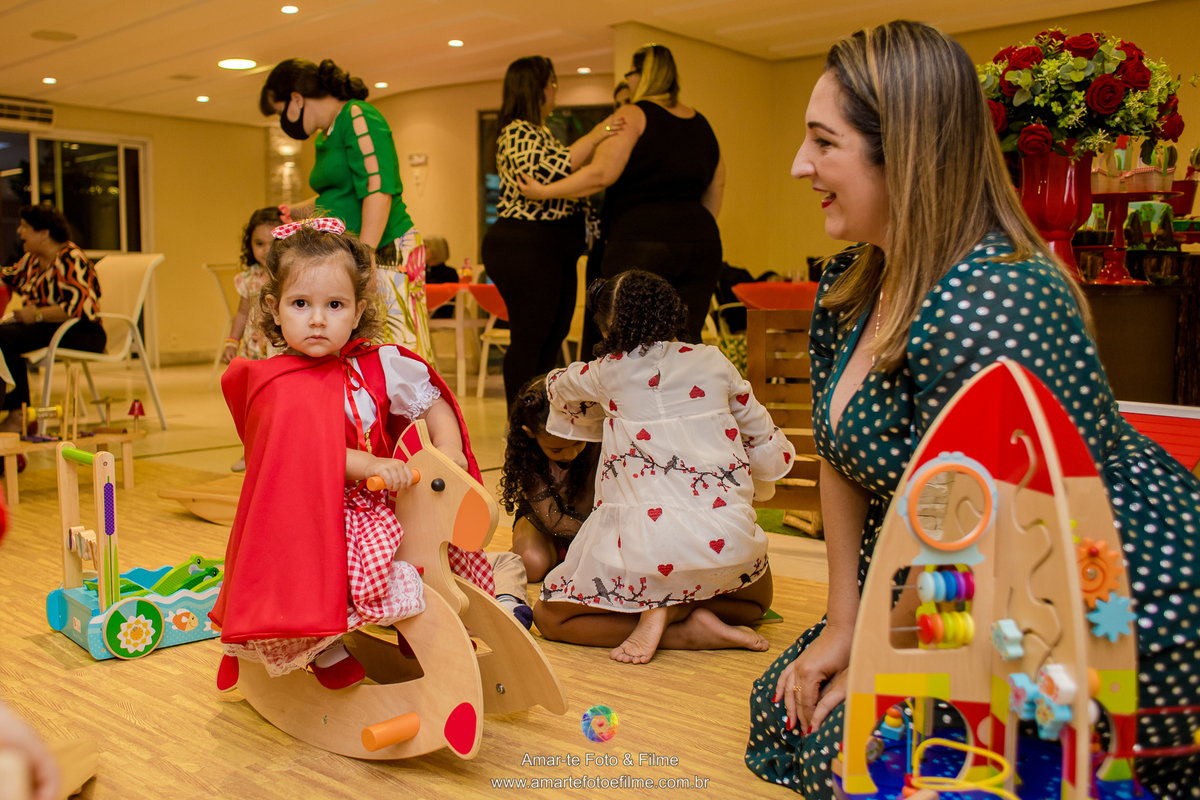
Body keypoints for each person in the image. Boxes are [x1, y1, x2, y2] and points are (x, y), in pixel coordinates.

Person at [744, 21, 1200, 800]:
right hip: (938, 574)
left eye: (824, 143)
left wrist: (883, 662)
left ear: (907, 155)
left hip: (1078, 591)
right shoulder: (854, 281)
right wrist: (844, 627)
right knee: (785, 713)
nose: (800, 166)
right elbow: (842, 460)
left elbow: (984, 530)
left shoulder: (996, 299)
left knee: (857, 760)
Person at [210, 217, 495, 693]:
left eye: (335, 305)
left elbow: (432, 401)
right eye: (301, 304)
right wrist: (368, 466)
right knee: (343, 554)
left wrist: (448, 453)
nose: (318, 319)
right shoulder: (276, 383)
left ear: (358, 309)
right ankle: (324, 644)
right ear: (274, 309)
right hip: (314, 509)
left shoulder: (380, 364)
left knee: (427, 537)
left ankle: (425, 623)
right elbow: (304, 455)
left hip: (386, 495)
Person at [532, 271, 794, 664]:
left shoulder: (606, 371)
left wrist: (603, 408)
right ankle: (684, 614)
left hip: (648, 550)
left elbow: (556, 387)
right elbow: (761, 438)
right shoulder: (713, 360)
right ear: (673, 311)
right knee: (756, 605)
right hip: (727, 541)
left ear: (607, 324)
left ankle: (672, 623)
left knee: (550, 618)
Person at [519, 44, 726, 349]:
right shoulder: (702, 123)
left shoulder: (633, 114)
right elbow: (716, 188)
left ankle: (633, 399)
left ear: (642, 75)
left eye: (630, 73)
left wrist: (543, 191)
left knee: (632, 345)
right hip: (702, 244)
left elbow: (601, 174)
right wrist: (691, 231)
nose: (628, 80)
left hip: (641, 241)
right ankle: (684, 396)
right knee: (686, 342)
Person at [259, 58, 433, 363]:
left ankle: (416, 412)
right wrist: (296, 211)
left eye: (279, 112)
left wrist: (367, 252)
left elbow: (379, 187)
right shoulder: (327, 134)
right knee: (363, 350)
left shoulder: (357, 115)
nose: (281, 121)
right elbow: (339, 196)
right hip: (358, 251)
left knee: (399, 350)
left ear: (296, 99)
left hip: (387, 247)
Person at [480, 55, 623, 409]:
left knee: (551, 337)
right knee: (531, 339)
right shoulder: (516, 132)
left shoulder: (540, 133)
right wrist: (599, 133)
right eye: (552, 83)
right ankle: (521, 421)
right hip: (525, 246)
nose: (555, 91)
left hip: (549, 248)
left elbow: (564, 182)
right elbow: (551, 172)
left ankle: (540, 414)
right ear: (538, 88)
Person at [0, 205, 105, 441]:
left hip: (83, 331)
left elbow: (80, 307)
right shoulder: (32, 261)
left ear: (44, 233)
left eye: (25, 227)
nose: (19, 232)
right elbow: (7, 276)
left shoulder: (70, 258)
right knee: (4, 336)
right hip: (51, 328)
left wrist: (36, 314)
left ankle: (18, 414)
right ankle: (16, 409)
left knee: (4, 338)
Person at [498, 375, 600, 582]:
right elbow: (551, 518)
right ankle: (551, 552)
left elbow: (587, 505)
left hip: (590, 522)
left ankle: (563, 554)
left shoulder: (596, 441)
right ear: (530, 434)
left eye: (577, 443)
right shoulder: (526, 454)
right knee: (531, 565)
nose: (570, 455)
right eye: (556, 449)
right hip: (542, 519)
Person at [222, 207, 282, 365]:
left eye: (274, 243)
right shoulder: (248, 278)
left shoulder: (291, 276)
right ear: (250, 243)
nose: (267, 250)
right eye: (259, 243)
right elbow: (242, 313)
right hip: (254, 350)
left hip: (282, 348)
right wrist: (232, 341)